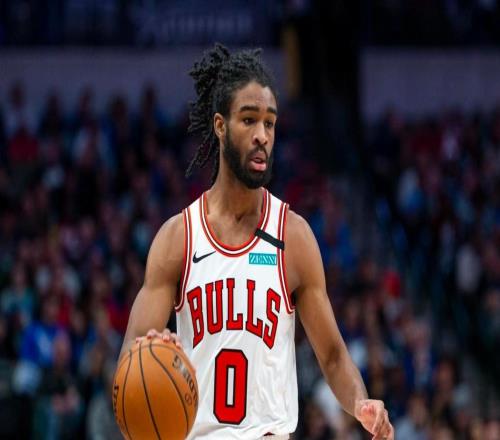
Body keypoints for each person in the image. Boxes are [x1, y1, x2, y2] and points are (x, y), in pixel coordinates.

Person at [118, 44, 394, 440]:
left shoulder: (293, 236)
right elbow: (130, 360)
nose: (262, 135)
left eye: (270, 123)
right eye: (249, 120)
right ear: (220, 125)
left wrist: (361, 403)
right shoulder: (177, 238)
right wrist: (150, 352)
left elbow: (333, 356)